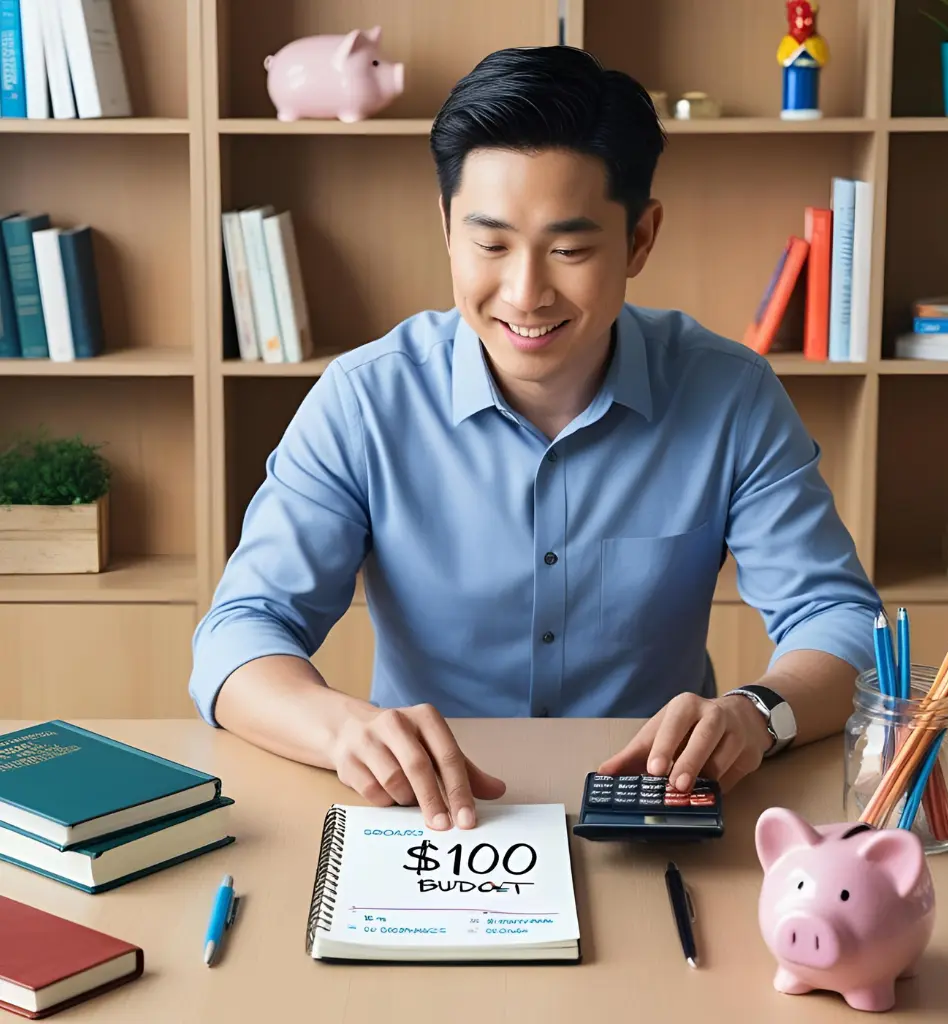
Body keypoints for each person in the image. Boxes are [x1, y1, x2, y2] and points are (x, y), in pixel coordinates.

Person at [189, 45, 880, 832]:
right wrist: (342, 729)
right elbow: (238, 637)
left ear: (640, 240)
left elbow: (840, 620)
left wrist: (758, 714)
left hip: (653, 814)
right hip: (431, 820)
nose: (525, 293)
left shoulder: (727, 394)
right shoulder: (365, 399)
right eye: (490, 245)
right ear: (446, 228)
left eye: (570, 249)